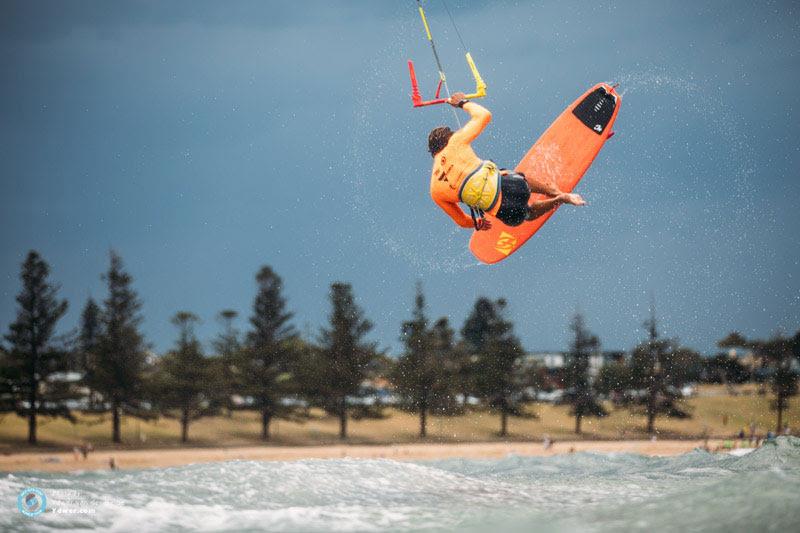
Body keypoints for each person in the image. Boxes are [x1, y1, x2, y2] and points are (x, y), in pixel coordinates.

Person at [428, 92, 586, 231]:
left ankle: (561, 199)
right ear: (447, 139)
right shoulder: (454, 142)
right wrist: (463, 103)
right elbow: (484, 115)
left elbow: (462, 221)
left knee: (528, 214)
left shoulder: (435, 190)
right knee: (516, 176)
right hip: (513, 184)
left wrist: (478, 223)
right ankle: (553, 191)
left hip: (503, 210)